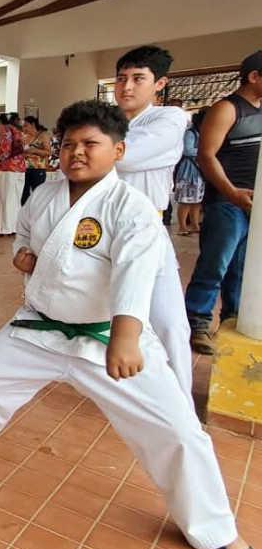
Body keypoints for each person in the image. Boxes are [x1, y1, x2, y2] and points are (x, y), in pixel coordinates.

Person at [0, 99, 262, 549]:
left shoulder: (132, 208)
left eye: (90, 144)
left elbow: (135, 272)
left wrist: (126, 336)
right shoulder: (44, 197)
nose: (76, 153)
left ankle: (215, 530)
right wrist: (22, 255)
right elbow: (24, 234)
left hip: (106, 338)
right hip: (38, 329)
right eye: (68, 144)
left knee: (179, 431)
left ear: (118, 150)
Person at [112, 45, 194, 403]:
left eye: (138, 79)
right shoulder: (109, 123)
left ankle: (181, 402)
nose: (127, 87)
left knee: (169, 322)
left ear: (159, 83)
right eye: (121, 78)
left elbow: (126, 157)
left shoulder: (169, 119)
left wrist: (98, 147)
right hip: (101, 232)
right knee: (102, 313)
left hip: (145, 231)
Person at [185, 50, 262, 355]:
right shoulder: (228, 109)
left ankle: (233, 317)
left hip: (252, 206)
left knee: (244, 267)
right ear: (254, 77)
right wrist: (231, 192)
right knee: (215, 264)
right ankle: (197, 321)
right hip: (227, 203)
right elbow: (206, 155)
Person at [0, 113, 27, 234]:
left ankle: (5, 228)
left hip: (8, 169)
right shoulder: (19, 132)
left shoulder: (6, 133)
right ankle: (15, 227)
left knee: (5, 199)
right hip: (20, 169)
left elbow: (5, 153)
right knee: (16, 199)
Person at [175, 109, 207, 236]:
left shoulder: (203, 133)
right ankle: (182, 226)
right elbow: (187, 150)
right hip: (189, 170)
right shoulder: (190, 133)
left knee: (197, 200)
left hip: (198, 170)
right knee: (185, 200)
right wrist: (204, 152)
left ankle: (195, 224)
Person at [21, 115, 53, 205]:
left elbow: (48, 152)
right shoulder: (24, 137)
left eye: (25, 126)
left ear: (33, 125)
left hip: (38, 169)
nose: (24, 128)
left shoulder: (43, 136)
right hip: (24, 169)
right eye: (23, 126)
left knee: (38, 193)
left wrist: (35, 150)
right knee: (24, 194)